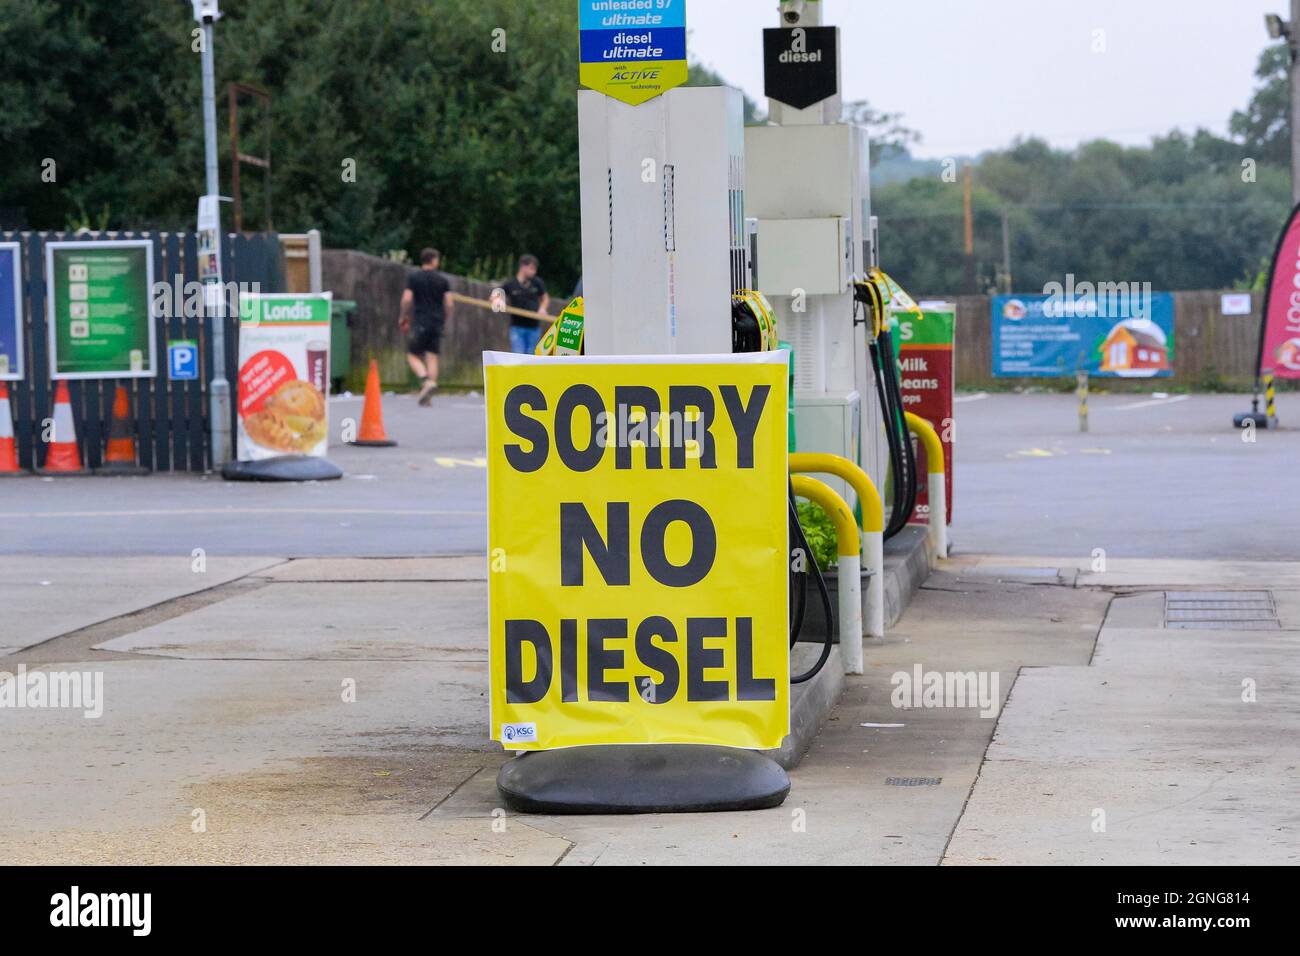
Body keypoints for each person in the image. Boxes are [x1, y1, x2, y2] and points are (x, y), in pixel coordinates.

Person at [399, 248, 453, 405]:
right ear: (433, 260)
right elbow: (449, 303)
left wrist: (403, 316)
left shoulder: (414, 278)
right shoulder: (442, 280)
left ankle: (425, 381)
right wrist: (445, 318)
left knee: (412, 354)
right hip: (437, 322)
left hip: (421, 320)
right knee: (432, 356)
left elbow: (407, 299)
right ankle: (428, 396)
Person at [497, 254, 550, 354]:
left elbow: (545, 299)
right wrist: (499, 301)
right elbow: (495, 295)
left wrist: (543, 308)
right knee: (518, 356)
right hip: (517, 327)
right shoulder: (511, 284)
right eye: (531, 268)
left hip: (534, 328)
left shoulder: (537, 282)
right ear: (522, 267)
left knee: (531, 358)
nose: (534, 271)